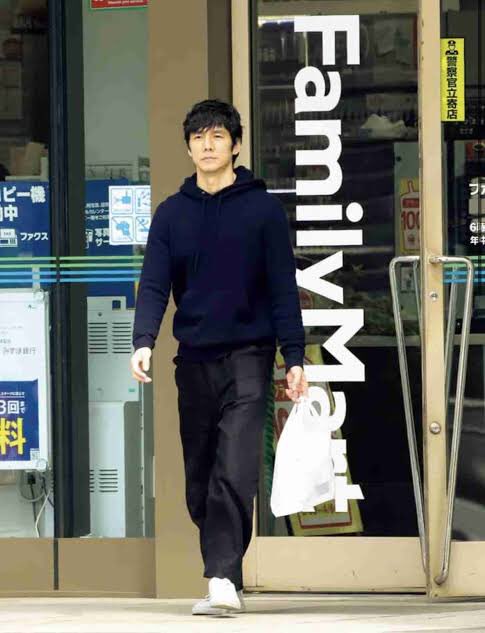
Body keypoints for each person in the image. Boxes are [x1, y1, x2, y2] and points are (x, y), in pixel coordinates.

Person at [130, 99, 308, 615]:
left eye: (217, 137)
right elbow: (154, 284)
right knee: (200, 474)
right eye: (198, 138)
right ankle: (225, 567)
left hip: (250, 356)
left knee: (235, 465)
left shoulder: (263, 210)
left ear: (235, 145)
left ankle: (222, 578)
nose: (207, 146)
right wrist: (144, 340)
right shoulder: (172, 214)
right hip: (193, 361)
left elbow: (283, 289)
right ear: (188, 148)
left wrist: (294, 356)